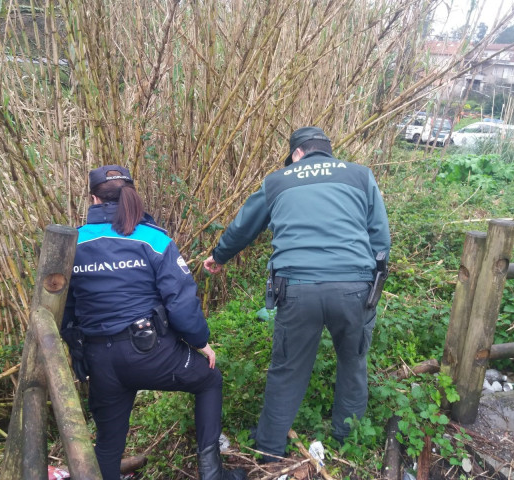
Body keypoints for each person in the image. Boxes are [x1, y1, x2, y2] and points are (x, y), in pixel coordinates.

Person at [204, 127, 391, 461]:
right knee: (353, 362)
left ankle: (270, 450)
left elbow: (242, 228)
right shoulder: (361, 176)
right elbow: (380, 237)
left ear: (297, 154)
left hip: (297, 289)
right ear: (327, 151)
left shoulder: (278, 180)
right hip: (354, 287)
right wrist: (373, 282)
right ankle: (348, 443)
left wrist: (218, 257)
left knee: (287, 370)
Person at [62, 165, 246, 480]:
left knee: (108, 442)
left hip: (99, 360)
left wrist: (78, 354)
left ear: (93, 199)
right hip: (151, 353)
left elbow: (65, 311)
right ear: (132, 195)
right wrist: (200, 342)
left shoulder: (70, 244)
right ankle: (212, 475)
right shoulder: (152, 239)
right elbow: (181, 302)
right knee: (209, 381)